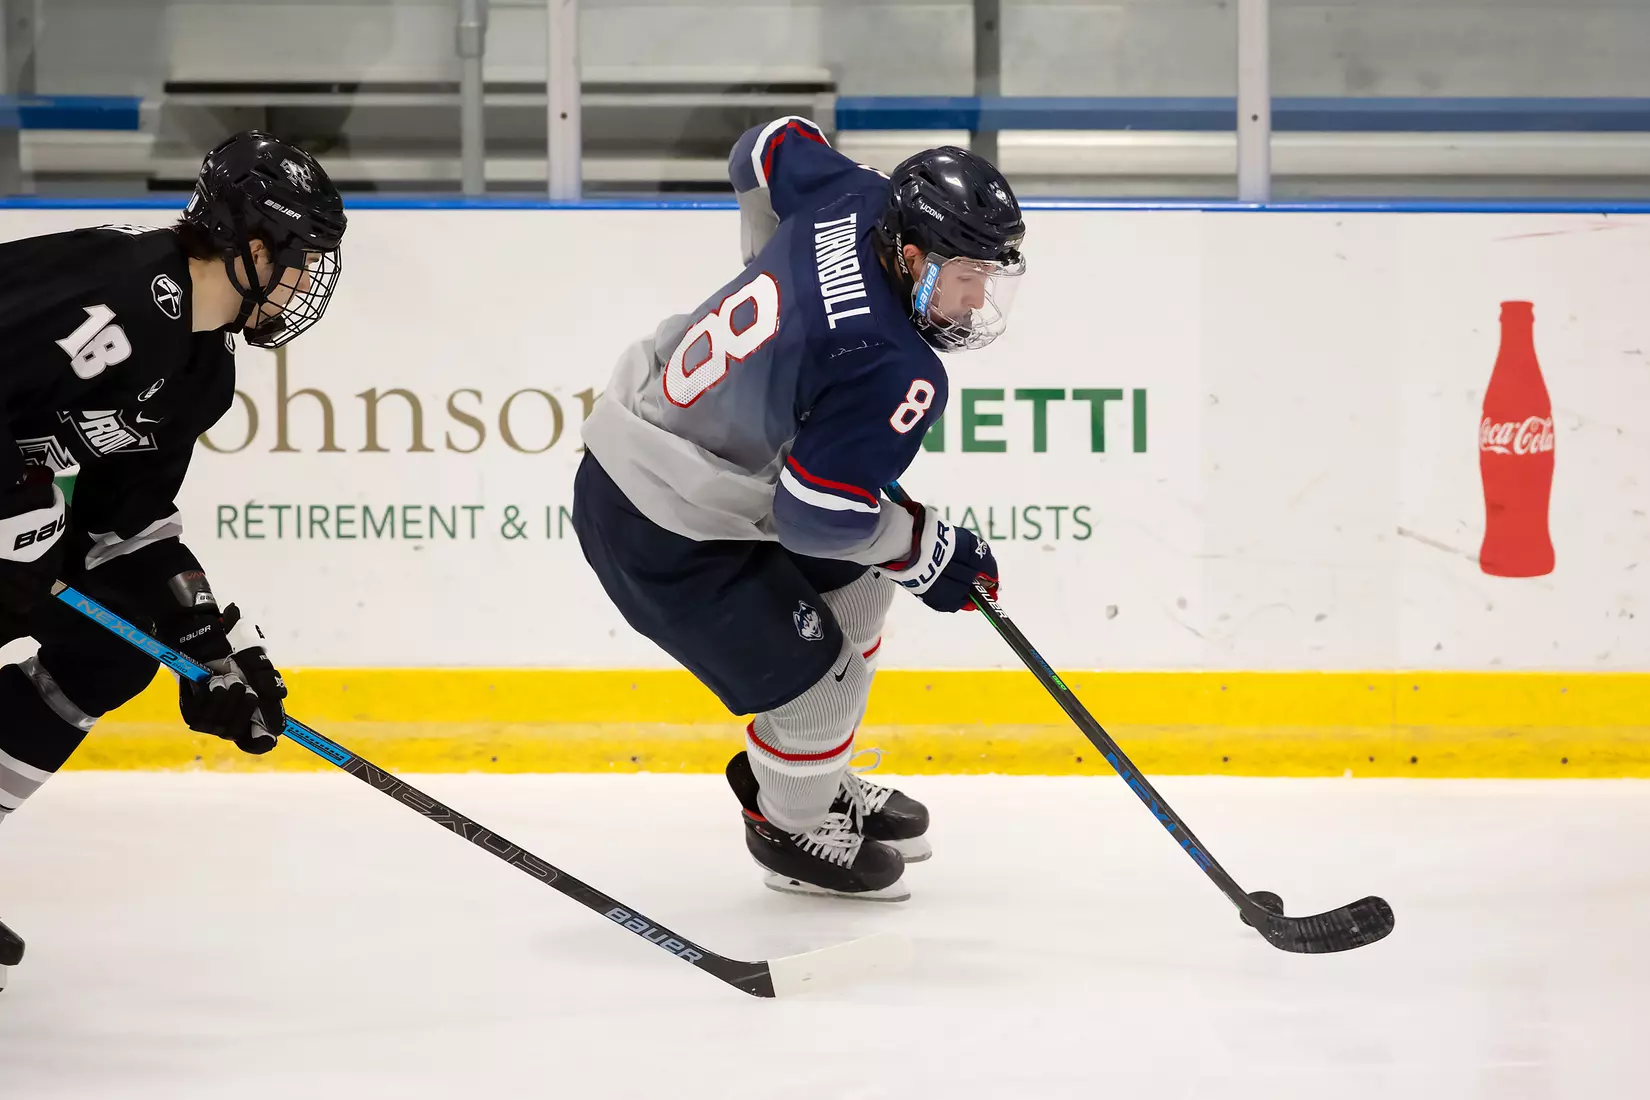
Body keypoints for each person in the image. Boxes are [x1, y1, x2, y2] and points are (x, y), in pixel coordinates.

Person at [574, 116, 1025, 901]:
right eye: (966, 275)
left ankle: (815, 778)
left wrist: (764, 257)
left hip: (683, 470)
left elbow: (763, 141)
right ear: (911, 257)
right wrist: (929, 550)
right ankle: (790, 826)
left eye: (989, 275)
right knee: (827, 692)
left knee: (864, 582)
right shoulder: (890, 362)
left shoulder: (856, 194)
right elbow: (814, 517)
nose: (976, 298)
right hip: (660, 524)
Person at [0, 130, 346, 992]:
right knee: (23, 544)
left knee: (117, 639)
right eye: (303, 259)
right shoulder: (115, 293)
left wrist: (206, 642)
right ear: (252, 248)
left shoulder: (201, 373)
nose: (310, 284)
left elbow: (131, 514)